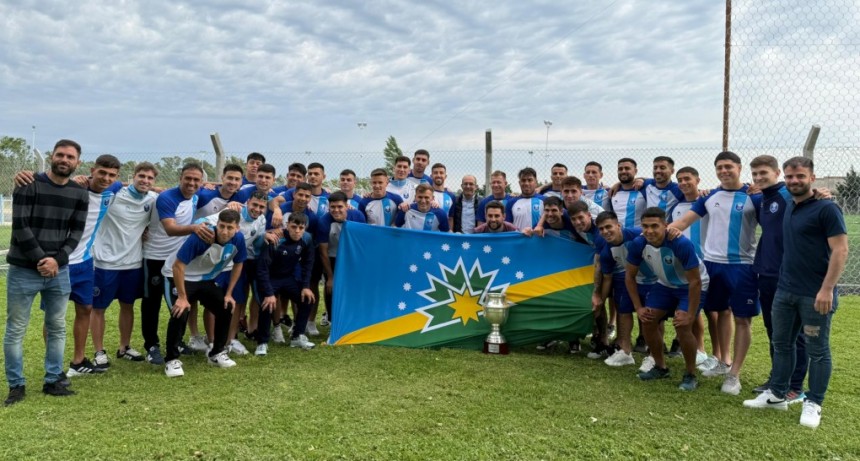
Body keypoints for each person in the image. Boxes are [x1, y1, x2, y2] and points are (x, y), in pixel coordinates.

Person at [743, 156, 848, 429]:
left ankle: (813, 402)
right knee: (782, 344)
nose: (794, 181)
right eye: (790, 177)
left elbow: (840, 250)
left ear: (812, 177)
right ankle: (778, 394)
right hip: (784, 290)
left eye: (800, 176)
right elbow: (762, 192)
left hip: (815, 294)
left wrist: (827, 289)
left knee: (818, 350)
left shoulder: (827, 208)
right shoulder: (789, 204)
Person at [669, 151, 761, 395]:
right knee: (719, 312)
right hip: (711, 264)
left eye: (728, 166)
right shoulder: (709, 197)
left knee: (742, 319)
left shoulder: (754, 196)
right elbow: (683, 223)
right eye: (719, 167)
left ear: (739, 168)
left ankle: (734, 375)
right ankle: (723, 361)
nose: (724, 171)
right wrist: (650, 234)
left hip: (742, 265)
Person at [4, 139, 89, 405]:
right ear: (52, 156)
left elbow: (76, 232)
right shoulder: (28, 184)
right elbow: (20, 226)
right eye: (60, 155)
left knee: (57, 327)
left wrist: (58, 260)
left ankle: (53, 379)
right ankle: (16, 385)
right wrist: (43, 260)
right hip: (23, 270)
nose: (64, 160)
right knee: (16, 329)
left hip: (58, 272)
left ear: (77, 162)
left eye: (70, 157)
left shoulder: (79, 193)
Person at [625, 207, 708, 391]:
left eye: (655, 226)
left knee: (683, 325)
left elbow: (695, 282)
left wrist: (690, 315)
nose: (649, 231)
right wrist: (638, 307)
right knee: (647, 319)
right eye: (645, 226)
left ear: (665, 225)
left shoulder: (680, 243)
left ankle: (690, 374)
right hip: (665, 284)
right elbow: (629, 276)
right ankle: (660, 367)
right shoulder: (639, 243)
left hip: (691, 285)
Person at [748, 155, 808, 401]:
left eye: (763, 173)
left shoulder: (787, 195)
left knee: (794, 333)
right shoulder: (763, 197)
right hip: (767, 272)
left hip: (788, 275)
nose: (758, 177)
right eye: (755, 174)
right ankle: (777, 379)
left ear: (776, 173)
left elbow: (809, 200)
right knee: (774, 330)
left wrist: (820, 193)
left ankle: (795, 386)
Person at [162, 209, 247, 377]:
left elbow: (239, 264)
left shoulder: (238, 239)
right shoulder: (202, 236)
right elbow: (177, 266)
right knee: (180, 311)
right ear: (217, 224)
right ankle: (171, 360)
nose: (224, 231)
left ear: (237, 228)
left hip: (204, 278)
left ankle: (216, 353)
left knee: (226, 306)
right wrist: (182, 297)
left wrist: (229, 293)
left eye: (229, 227)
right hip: (176, 275)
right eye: (222, 226)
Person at [140, 163, 209, 366]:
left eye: (196, 180)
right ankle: (151, 346)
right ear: (180, 178)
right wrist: (194, 228)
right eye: (188, 178)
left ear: (201, 182)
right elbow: (170, 229)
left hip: (177, 260)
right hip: (155, 257)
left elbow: (220, 191)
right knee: (152, 303)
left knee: (182, 301)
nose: (191, 183)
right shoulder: (167, 198)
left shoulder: (196, 195)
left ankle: (177, 342)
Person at [91, 162, 159, 366]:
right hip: (105, 262)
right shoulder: (113, 194)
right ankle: (99, 351)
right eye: (142, 176)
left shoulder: (152, 199)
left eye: (150, 178)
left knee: (128, 305)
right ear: (133, 176)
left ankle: (125, 347)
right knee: (98, 308)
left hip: (133, 263)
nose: (145, 180)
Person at [65, 155, 123, 376]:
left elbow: (129, 184)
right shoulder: (74, 187)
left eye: (111, 175)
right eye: (102, 173)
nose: (106, 178)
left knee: (85, 309)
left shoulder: (112, 189)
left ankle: (78, 361)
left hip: (85, 262)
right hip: (61, 262)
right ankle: (53, 367)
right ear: (92, 171)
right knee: (55, 315)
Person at [196, 191, 269, 356]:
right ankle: (212, 341)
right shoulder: (233, 213)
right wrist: (208, 233)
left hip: (236, 265)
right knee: (213, 302)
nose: (257, 209)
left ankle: (231, 340)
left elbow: (257, 242)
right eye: (255, 204)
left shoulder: (261, 220)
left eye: (261, 207)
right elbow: (200, 221)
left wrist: (266, 236)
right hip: (216, 265)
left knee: (236, 302)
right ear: (247, 202)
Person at [186, 163, 246, 353]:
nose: (232, 182)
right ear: (222, 178)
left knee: (214, 299)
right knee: (191, 298)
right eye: (230, 178)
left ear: (241, 182)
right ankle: (194, 336)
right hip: (197, 252)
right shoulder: (205, 194)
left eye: (237, 179)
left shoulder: (240, 197)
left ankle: (217, 339)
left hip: (220, 258)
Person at [594, 211, 656, 368]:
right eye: (601, 229)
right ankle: (626, 351)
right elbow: (607, 278)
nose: (605, 231)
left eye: (608, 227)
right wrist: (600, 300)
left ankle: (654, 355)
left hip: (654, 279)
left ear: (618, 225)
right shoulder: (606, 252)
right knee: (623, 310)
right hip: (631, 280)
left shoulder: (637, 234)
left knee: (653, 315)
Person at [256, 213, 317, 356]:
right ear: (287, 225)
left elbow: (308, 264)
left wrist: (306, 287)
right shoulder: (276, 239)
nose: (297, 231)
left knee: (307, 299)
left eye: (301, 228)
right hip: (270, 278)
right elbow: (262, 269)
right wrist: (269, 293)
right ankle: (262, 342)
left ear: (305, 228)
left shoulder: (307, 239)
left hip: (287, 278)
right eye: (294, 227)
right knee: (267, 304)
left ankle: (297, 336)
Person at [318, 191, 367, 330]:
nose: (336, 210)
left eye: (339, 206)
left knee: (355, 289)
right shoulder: (324, 222)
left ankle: (355, 322)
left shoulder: (357, 216)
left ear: (346, 206)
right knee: (331, 288)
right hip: (333, 258)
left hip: (353, 258)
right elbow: (323, 252)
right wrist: (330, 277)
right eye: (332, 207)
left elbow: (363, 242)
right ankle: (333, 323)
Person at [609, 158, 646, 228]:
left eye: (627, 168)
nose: (623, 171)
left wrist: (642, 179)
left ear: (635, 171)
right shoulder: (613, 191)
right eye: (620, 169)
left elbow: (656, 181)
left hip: (640, 233)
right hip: (618, 233)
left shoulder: (644, 188)